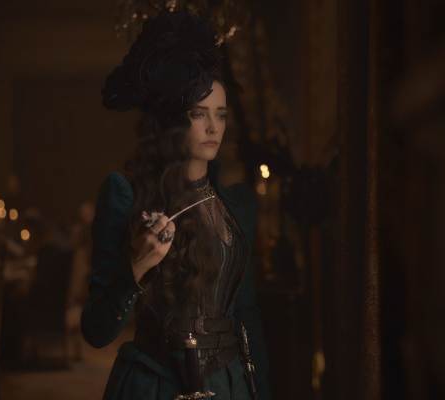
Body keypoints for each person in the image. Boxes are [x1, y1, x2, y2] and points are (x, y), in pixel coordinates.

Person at [80, 9, 271, 400]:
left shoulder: (236, 206)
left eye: (221, 115)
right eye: (199, 114)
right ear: (173, 119)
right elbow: (96, 330)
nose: (213, 128)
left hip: (230, 385)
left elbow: (248, 315)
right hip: (154, 385)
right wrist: (138, 265)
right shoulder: (124, 194)